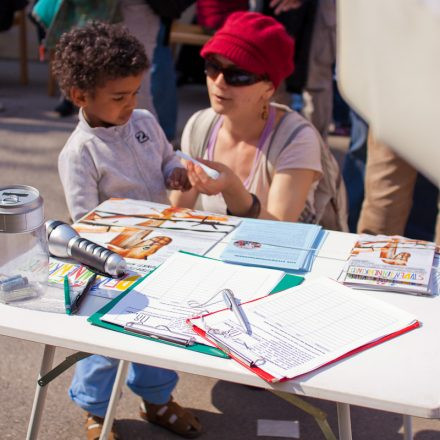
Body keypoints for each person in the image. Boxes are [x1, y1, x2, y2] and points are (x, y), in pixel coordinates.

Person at [53, 21, 200, 440]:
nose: (130, 103)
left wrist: (174, 172)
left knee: (158, 331)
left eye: (135, 92)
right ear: (81, 96)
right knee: (105, 341)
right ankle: (96, 411)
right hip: (110, 262)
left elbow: (169, 156)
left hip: (161, 249)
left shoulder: (144, 121)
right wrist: (118, 247)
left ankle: (157, 401)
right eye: (119, 97)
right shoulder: (79, 152)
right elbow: (85, 221)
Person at [171, 11, 347, 231]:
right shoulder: (199, 125)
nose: (220, 82)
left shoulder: (296, 139)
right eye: (213, 66)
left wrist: (233, 188)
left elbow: (280, 232)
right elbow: (178, 215)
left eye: (239, 76)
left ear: (268, 89)